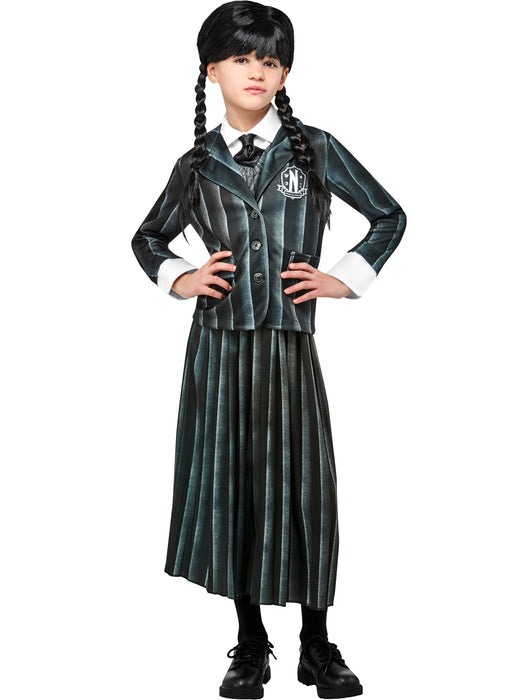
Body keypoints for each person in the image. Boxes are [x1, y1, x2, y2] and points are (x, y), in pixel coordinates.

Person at [131, 2, 406, 697]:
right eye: (242, 58)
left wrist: (342, 278)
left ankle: (316, 642)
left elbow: (388, 215)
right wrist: (181, 277)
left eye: (271, 60)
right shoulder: (197, 163)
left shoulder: (313, 148)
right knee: (233, 487)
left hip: (288, 346)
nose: (256, 71)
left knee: (305, 486)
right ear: (212, 70)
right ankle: (250, 641)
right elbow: (147, 238)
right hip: (217, 348)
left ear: (285, 73)